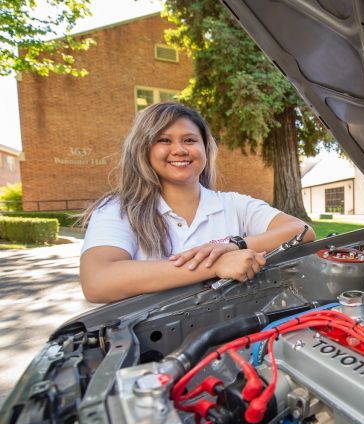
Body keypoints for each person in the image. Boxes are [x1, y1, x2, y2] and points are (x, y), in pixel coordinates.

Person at [80, 102, 315, 303]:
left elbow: (301, 230)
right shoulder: (117, 209)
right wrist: (214, 266)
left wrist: (237, 245)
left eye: (190, 140)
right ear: (143, 150)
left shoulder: (233, 203)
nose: (180, 150)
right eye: (164, 140)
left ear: (205, 148)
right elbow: (97, 281)